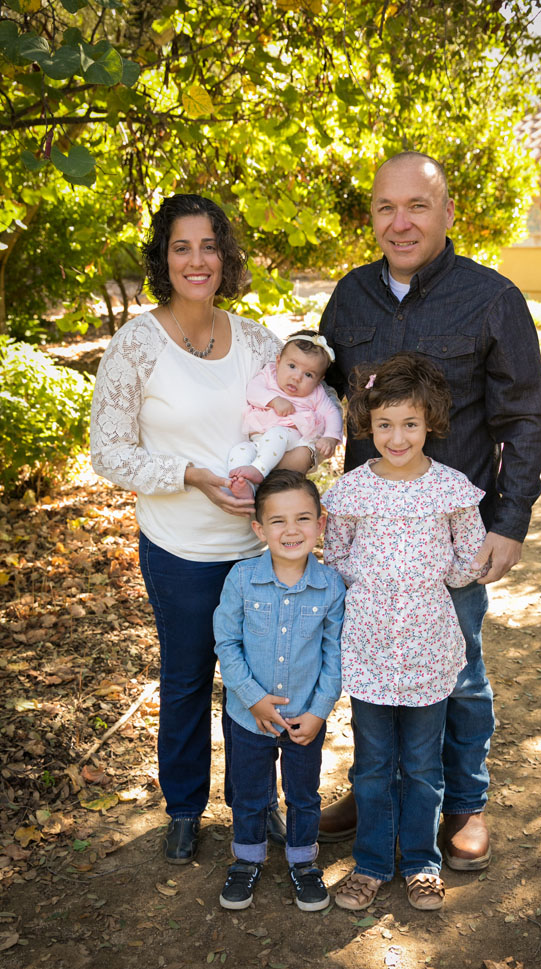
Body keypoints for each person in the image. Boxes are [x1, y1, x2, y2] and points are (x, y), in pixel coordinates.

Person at [318, 151, 541, 870]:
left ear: (446, 212)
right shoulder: (349, 298)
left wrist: (509, 524)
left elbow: (525, 421)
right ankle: (378, 787)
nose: (400, 221)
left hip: (450, 538)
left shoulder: (491, 298)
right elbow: (322, 403)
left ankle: (464, 804)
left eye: (416, 206)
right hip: (368, 539)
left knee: (460, 673)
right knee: (372, 665)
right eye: (386, 207)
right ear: (372, 217)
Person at [90, 194, 321, 865]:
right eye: (181, 247)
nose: (197, 260)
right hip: (179, 552)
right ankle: (185, 808)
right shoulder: (137, 343)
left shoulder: (255, 339)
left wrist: (290, 470)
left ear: (225, 256)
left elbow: (303, 425)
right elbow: (109, 452)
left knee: (261, 685)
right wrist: (192, 474)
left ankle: (259, 805)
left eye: (208, 246)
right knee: (188, 681)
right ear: (164, 258)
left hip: (257, 552)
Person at [323, 353, 486, 911]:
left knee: (421, 765)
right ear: (369, 422)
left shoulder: (452, 488)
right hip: (369, 647)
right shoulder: (351, 490)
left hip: (428, 648)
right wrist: (375, 589)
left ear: (430, 422)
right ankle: (370, 863)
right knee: (370, 765)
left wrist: (427, 581)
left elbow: (470, 557)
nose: (397, 437)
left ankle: (419, 862)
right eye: (386, 424)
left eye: (410, 424)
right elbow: (337, 557)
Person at [214, 470, 345, 910]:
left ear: (321, 523)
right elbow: (226, 643)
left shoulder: (330, 586)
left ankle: (304, 862)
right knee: (250, 793)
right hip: (248, 714)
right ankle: (247, 860)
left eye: (303, 519)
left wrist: (321, 709)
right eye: (278, 521)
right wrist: (252, 696)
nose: (292, 531)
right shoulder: (241, 579)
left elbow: (335, 654)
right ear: (259, 528)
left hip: (304, 715)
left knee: (304, 794)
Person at [227, 331, 343, 499]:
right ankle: (244, 486)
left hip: (292, 439)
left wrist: (330, 437)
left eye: (309, 374)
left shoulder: (316, 393)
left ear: (319, 380)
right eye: (292, 366)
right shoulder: (269, 374)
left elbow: (331, 413)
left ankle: (258, 470)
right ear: (279, 361)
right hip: (260, 441)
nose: (297, 377)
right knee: (240, 450)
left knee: (277, 434)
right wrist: (273, 400)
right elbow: (253, 390)